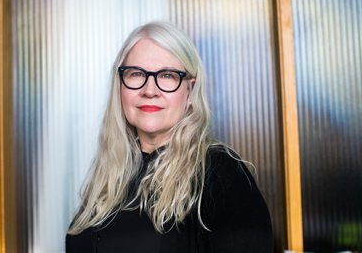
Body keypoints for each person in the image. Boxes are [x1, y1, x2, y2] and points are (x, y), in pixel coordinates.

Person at [66, 21, 273, 252]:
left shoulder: (221, 174)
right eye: (136, 74)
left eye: (167, 76)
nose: (150, 90)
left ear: (190, 91)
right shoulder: (110, 176)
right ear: (120, 86)